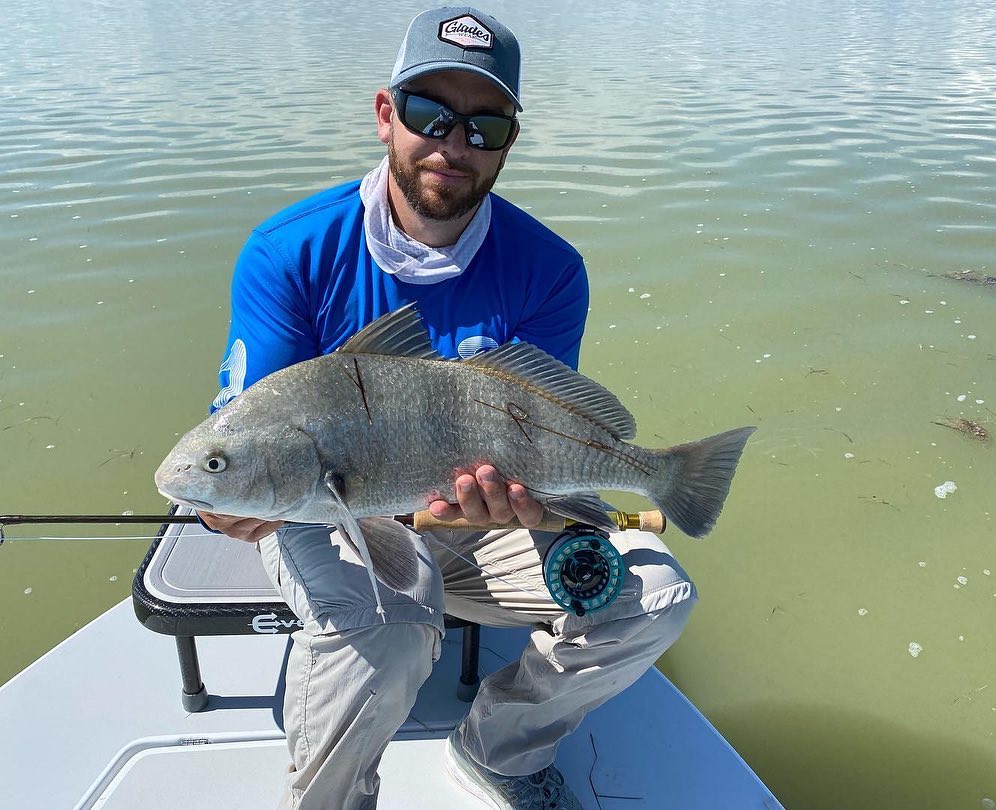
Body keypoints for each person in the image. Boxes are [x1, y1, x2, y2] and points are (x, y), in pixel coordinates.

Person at [198, 7, 697, 809]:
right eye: (428, 113)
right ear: (385, 114)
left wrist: (524, 502)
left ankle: (500, 748)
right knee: (388, 625)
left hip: (479, 510)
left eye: (483, 126)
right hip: (332, 507)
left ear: (508, 142)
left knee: (655, 598)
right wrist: (226, 497)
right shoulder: (289, 251)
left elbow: (540, 420)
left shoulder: (550, 268)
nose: (452, 144)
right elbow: (258, 431)